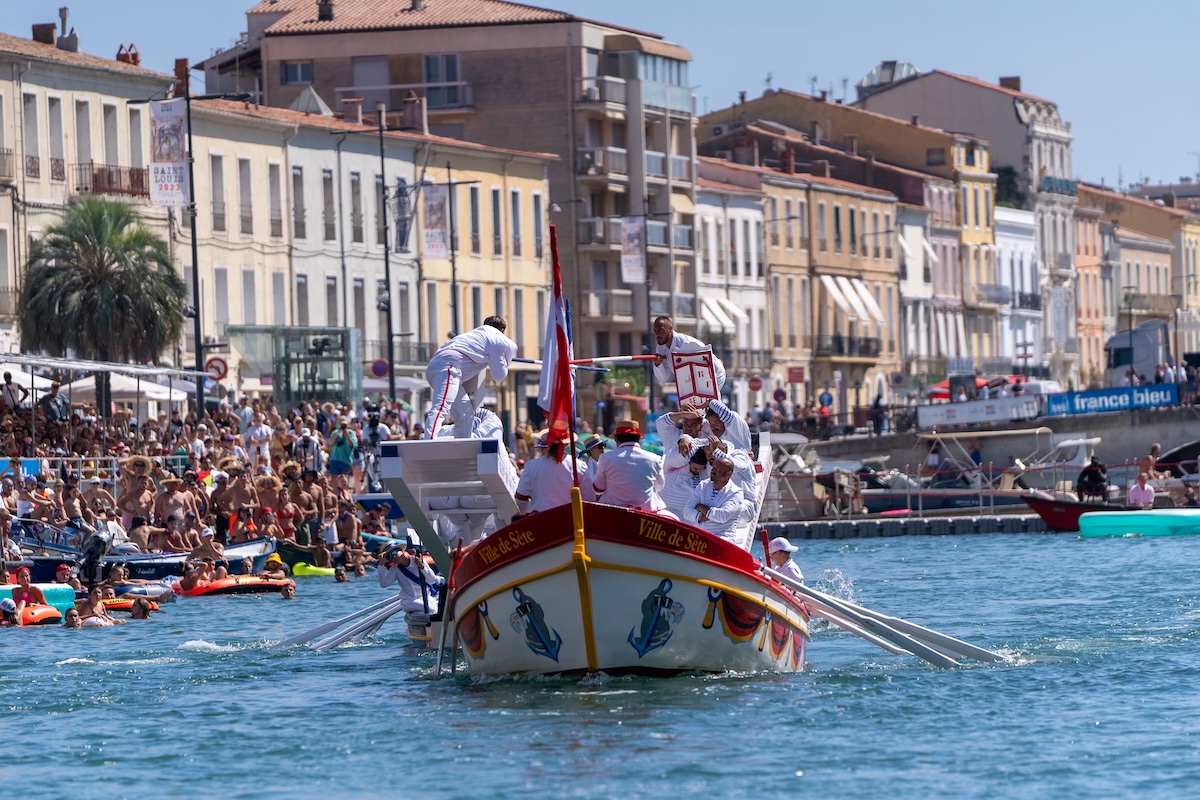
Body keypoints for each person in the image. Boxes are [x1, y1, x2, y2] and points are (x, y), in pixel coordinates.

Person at [424, 316, 518, 439]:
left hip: (438, 367)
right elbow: (498, 376)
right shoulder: (499, 340)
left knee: (465, 413)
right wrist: (506, 361)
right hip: (448, 368)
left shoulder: (474, 335)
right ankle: (429, 441)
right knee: (441, 407)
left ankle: (462, 445)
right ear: (502, 331)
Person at [592, 420, 669, 515]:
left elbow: (598, 489)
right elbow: (659, 486)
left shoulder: (606, 458)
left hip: (613, 514)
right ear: (638, 439)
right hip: (647, 515)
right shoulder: (655, 459)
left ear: (616, 439)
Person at [514, 438, 595, 516]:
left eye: (542, 448)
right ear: (566, 444)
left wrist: (528, 511)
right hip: (569, 521)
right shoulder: (579, 465)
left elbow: (520, 499)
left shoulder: (531, 465)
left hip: (540, 520)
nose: (541, 451)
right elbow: (589, 499)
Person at [651, 316, 726, 392]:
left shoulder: (685, 342)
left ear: (670, 329)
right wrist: (658, 365)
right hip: (691, 381)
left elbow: (706, 357)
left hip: (714, 374)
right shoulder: (660, 349)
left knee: (709, 402)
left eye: (660, 330)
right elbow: (664, 378)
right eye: (655, 331)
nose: (657, 334)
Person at [684, 457, 745, 544]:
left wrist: (700, 507)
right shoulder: (702, 485)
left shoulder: (736, 493)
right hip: (699, 538)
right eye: (713, 468)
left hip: (721, 539)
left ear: (728, 474)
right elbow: (687, 511)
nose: (713, 471)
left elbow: (722, 516)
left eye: (717, 469)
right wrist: (703, 517)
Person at [378, 537, 443, 613]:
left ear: (402, 551)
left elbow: (432, 580)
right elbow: (384, 584)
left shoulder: (417, 559)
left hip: (426, 597)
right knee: (431, 609)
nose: (393, 557)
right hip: (409, 601)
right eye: (389, 557)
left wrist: (421, 566)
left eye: (394, 553)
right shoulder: (395, 569)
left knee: (440, 608)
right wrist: (381, 565)